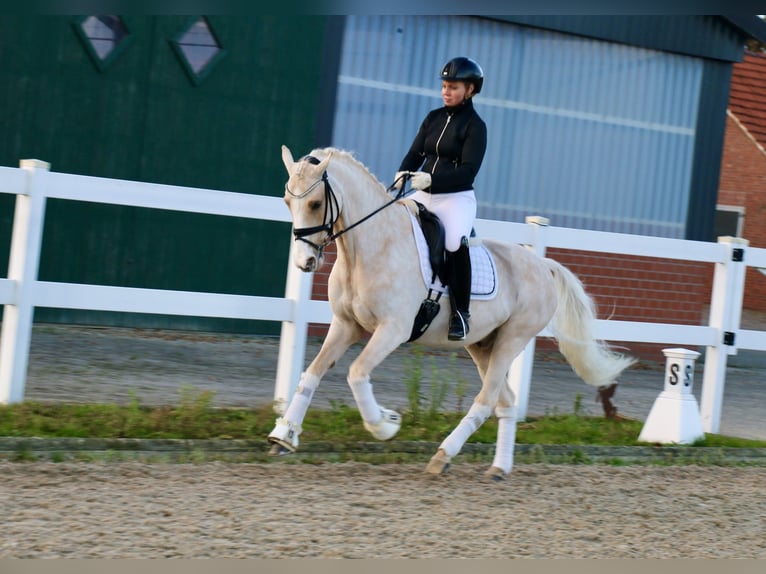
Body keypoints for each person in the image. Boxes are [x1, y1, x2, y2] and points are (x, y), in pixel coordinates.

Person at [394, 56, 488, 341]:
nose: (446, 91)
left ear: (470, 90)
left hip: (455, 198)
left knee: (453, 241)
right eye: (445, 86)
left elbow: (468, 171)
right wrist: (402, 171)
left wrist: (433, 179)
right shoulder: (433, 118)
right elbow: (416, 153)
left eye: (454, 87)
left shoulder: (475, 126)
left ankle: (461, 313)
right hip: (423, 192)